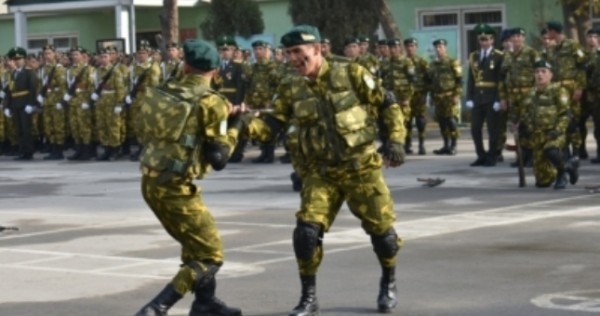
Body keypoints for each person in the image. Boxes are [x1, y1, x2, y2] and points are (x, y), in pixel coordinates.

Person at [245, 25, 405, 315]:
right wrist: (244, 124)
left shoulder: (351, 73)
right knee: (306, 233)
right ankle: (309, 297)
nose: (293, 59)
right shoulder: (290, 86)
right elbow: (273, 124)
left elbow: (387, 105)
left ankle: (388, 281)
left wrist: (395, 141)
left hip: (360, 168)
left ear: (317, 49)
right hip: (320, 172)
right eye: (288, 53)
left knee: (383, 234)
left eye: (298, 52)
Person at [134, 39, 242, 316]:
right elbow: (219, 159)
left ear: (184, 66)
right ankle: (158, 307)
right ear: (216, 71)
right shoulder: (212, 102)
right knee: (210, 254)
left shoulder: (162, 90)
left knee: (195, 244)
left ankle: (205, 302)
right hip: (174, 187)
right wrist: (235, 125)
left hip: (151, 180)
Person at [520, 60, 578, 189]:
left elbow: (565, 115)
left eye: (543, 71)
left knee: (551, 150)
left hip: (555, 133)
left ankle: (562, 174)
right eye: (537, 72)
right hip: (537, 136)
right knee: (543, 181)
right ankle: (570, 166)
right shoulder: (531, 93)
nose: (539, 75)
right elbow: (525, 114)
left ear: (551, 75)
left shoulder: (558, 90)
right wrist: (524, 128)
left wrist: (557, 130)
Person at [545, 21, 587, 161]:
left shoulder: (572, 45)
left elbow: (582, 65)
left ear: (553, 31)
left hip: (571, 87)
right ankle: (565, 150)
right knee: (561, 120)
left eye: (548, 32)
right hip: (557, 89)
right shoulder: (551, 49)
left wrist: (579, 87)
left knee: (573, 120)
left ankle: (576, 151)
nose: (547, 35)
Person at [499, 27, 541, 168]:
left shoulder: (531, 53)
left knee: (529, 126)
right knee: (516, 128)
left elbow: (539, 74)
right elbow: (502, 77)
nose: (516, 39)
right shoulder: (508, 55)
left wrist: (537, 94)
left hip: (528, 94)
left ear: (523, 38)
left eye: (519, 36)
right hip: (513, 96)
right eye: (513, 37)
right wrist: (503, 98)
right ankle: (521, 157)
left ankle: (531, 157)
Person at [465, 24, 504, 167]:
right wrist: (469, 97)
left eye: (486, 39)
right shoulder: (473, 56)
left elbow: (501, 79)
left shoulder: (499, 56)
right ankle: (481, 155)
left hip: (492, 97)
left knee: (493, 129)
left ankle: (492, 156)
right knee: (475, 128)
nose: (484, 42)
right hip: (477, 98)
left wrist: (499, 99)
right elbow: (471, 79)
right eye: (481, 40)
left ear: (492, 40)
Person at [427, 39, 463, 155]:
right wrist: (432, 97)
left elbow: (459, 80)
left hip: (450, 96)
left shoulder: (452, 62)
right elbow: (431, 82)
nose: (438, 49)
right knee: (442, 122)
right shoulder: (433, 65)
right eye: (436, 47)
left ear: (445, 48)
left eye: (441, 47)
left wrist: (456, 94)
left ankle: (454, 145)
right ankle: (446, 145)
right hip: (438, 98)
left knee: (451, 121)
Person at [4, 47, 38, 160]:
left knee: (26, 129)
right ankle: (22, 150)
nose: (17, 61)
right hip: (15, 104)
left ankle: (28, 151)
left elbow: (33, 88)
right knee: (18, 129)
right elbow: (9, 90)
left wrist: (30, 104)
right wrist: (7, 106)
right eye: (15, 59)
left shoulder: (29, 72)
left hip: (25, 103)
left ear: (24, 59)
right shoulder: (13, 73)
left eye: (19, 58)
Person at [38, 44, 68, 160]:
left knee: (58, 126)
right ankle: (53, 148)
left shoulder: (58, 68)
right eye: (45, 54)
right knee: (49, 126)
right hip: (47, 100)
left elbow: (62, 86)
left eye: (49, 53)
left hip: (56, 100)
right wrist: (40, 97)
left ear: (55, 54)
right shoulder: (44, 69)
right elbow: (42, 85)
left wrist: (62, 101)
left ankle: (59, 150)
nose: (47, 56)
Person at [404, 37, 429, 155]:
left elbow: (428, 78)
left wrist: (426, 93)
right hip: (406, 97)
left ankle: (421, 144)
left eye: (412, 46)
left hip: (419, 95)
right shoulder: (402, 61)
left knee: (420, 121)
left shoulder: (422, 61)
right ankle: (407, 144)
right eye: (408, 46)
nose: (410, 48)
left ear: (416, 48)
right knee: (406, 121)